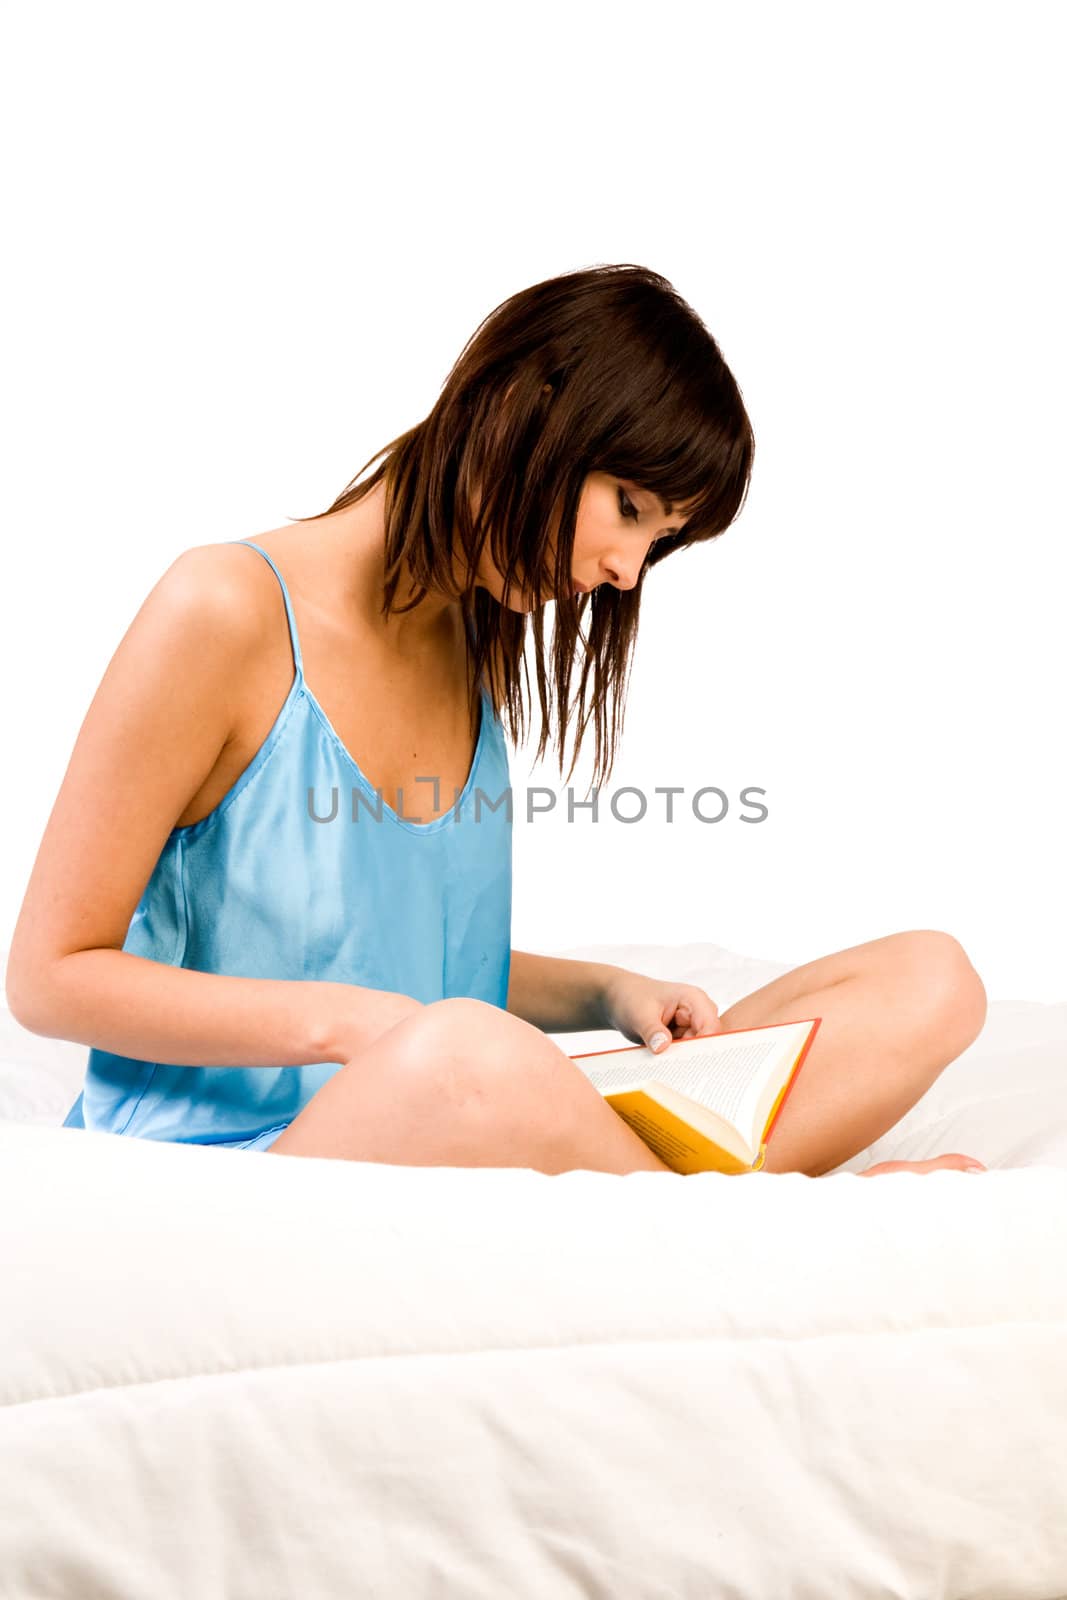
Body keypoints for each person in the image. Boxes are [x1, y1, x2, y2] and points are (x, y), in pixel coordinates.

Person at [5, 263, 988, 1178]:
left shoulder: (470, 636)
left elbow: (401, 956)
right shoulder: (222, 607)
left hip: (447, 1107)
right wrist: (347, 1027)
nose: (625, 571)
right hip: (251, 1161)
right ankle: (753, 1218)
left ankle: (680, 1205)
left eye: (661, 540)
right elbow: (49, 977)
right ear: (518, 406)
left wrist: (606, 994)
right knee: (467, 1048)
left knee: (928, 979)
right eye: (629, 506)